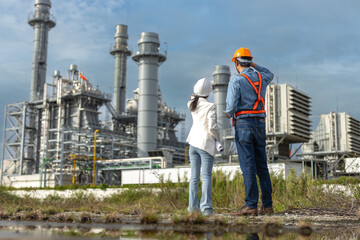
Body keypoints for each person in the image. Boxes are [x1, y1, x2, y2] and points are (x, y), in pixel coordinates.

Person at [225, 47, 274, 216]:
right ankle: (267, 206)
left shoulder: (236, 81)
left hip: (244, 124)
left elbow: (230, 107)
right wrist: (254, 65)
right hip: (260, 124)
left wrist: (227, 113)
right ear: (250, 61)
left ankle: (251, 205)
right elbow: (270, 73)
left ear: (236, 63)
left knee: (248, 166)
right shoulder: (262, 77)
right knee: (262, 166)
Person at [186, 78, 221, 216]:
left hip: (192, 143)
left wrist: (195, 95)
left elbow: (193, 98)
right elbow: (212, 126)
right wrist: (218, 139)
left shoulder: (191, 104)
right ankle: (206, 209)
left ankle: (192, 209)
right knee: (206, 176)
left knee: (194, 177)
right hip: (205, 143)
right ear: (209, 92)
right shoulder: (211, 106)